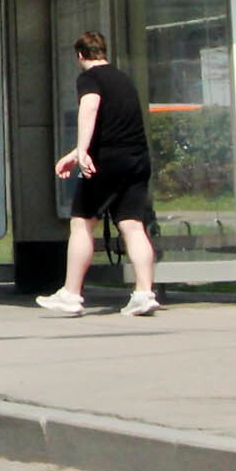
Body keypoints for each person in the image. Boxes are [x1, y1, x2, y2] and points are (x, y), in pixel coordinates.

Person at [43, 30, 158, 317]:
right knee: (132, 225)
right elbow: (114, 125)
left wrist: (82, 151)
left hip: (107, 161)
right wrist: (75, 154)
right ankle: (144, 293)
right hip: (137, 159)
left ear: (80, 55)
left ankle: (71, 294)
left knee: (81, 223)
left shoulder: (89, 78)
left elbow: (90, 109)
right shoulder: (123, 79)